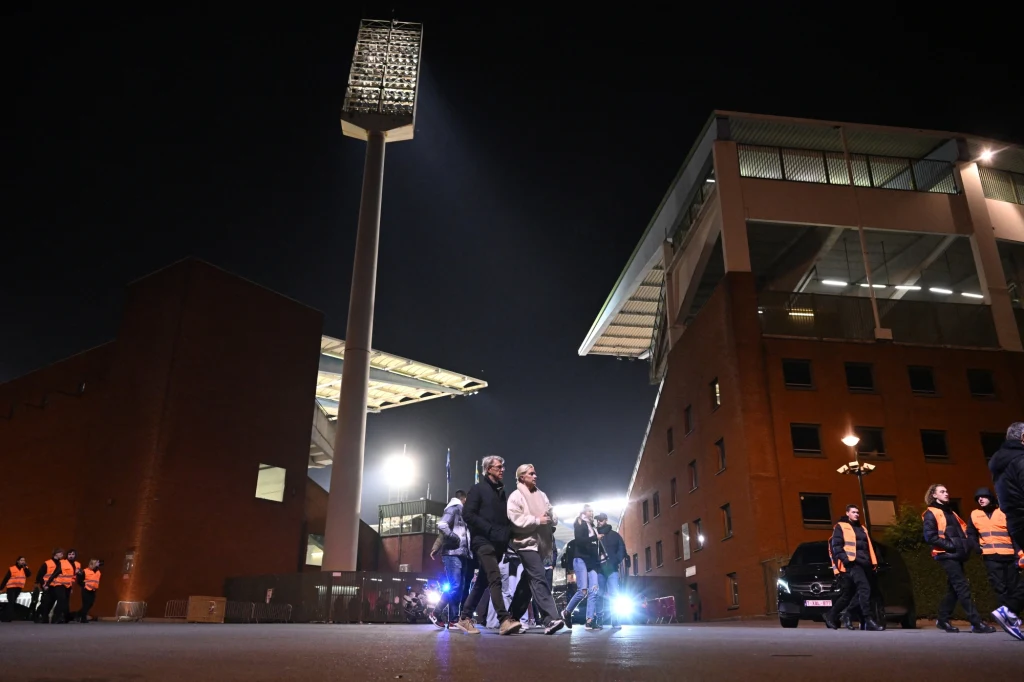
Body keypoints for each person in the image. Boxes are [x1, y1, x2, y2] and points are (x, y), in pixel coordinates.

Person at [457, 455, 521, 635]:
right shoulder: (478, 489)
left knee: (482, 582)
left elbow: (504, 519)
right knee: (495, 578)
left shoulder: (501, 492)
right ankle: (504, 620)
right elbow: (468, 515)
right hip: (482, 542)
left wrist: (507, 534)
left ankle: (464, 618)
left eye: (503, 466)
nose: (503, 470)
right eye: (499, 467)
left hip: (498, 544)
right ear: (488, 469)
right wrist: (489, 529)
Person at [922, 484, 995, 633]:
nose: (946, 493)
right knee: (962, 587)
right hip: (946, 555)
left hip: (956, 555)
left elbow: (962, 532)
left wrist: (966, 547)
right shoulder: (932, 513)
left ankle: (942, 619)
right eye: (942, 491)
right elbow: (930, 536)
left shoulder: (950, 512)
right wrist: (951, 546)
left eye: (947, 490)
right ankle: (976, 623)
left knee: (954, 589)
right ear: (934, 495)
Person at [506, 463, 564, 634]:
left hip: (540, 544)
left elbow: (551, 512)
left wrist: (551, 517)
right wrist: (538, 520)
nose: (535, 476)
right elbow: (516, 520)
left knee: (528, 581)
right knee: (539, 577)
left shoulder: (542, 495)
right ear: (522, 477)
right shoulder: (515, 497)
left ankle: (512, 618)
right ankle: (550, 619)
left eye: (535, 473)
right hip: (524, 544)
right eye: (531, 474)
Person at [989, 421, 1024, 640]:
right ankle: (1010, 609)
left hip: (1015, 519)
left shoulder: (1002, 462)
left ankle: (1010, 609)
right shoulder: (1020, 460)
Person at [824, 505, 881, 631]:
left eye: (858, 512)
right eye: (854, 512)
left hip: (864, 564)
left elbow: (868, 546)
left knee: (854, 593)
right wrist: (846, 561)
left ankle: (842, 614)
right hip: (852, 564)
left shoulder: (862, 528)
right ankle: (867, 618)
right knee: (863, 589)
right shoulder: (841, 526)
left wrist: (873, 562)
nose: (857, 514)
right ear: (847, 513)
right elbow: (836, 547)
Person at [429, 489, 472, 629]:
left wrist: (435, 548)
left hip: (460, 553)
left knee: (458, 588)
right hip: (452, 553)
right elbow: (442, 525)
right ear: (464, 499)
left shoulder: (461, 512)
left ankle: (453, 620)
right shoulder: (454, 508)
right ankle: (435, 612)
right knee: (455, 586)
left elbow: (442, 534)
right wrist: (455, 538)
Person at [562, 504, 605, 630]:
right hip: (580, 559)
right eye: (589, 511)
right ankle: (567, 612)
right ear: (584, 512)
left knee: (594, 589)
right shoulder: (579, 523)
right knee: (583, 591)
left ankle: (590, 620)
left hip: (592, 561)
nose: (591, 513)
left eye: (592, 511)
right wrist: (594, 538)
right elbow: (579, 540)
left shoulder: (592, 526)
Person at [596, 513, 627, 628]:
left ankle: (615, 620)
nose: (599, 522)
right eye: (598, 520)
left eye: (601, 520)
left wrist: (615, 561)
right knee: (599, 595)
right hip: (600, 569)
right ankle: (599, 620)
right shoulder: (595, 536)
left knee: (614, 594)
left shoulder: (615, 535)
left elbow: (622, 548)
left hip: (612, 568)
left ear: (606, 520)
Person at [35, 549, 66, 624]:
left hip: (56, 586)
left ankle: (44, 617)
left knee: (51, 602)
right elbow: (40, 575)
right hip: (47, 585)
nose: (62, 555)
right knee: (46, 602)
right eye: (60, 553)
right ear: (55, 554)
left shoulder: (61, 563)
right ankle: (39, 616)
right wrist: (43, 585)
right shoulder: (47, 563)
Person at [1, 556, 31, 622]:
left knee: (12, 602)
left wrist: (26, 567)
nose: (23, 561)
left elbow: (28, 575)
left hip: (18, 587)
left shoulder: (24, 569)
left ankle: (6, 617)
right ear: (17, 561)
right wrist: (1, 588)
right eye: (21, 560)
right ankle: (6, 618)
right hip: (11, 587)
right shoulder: (12, 569)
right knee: (11, 602)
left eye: (24, 560)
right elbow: (6, 578)